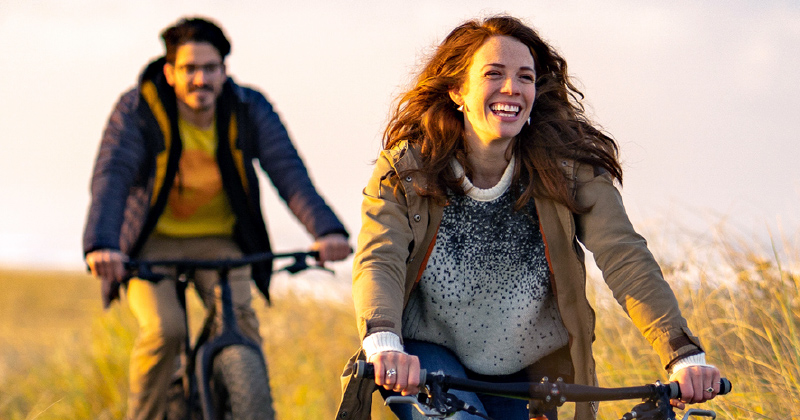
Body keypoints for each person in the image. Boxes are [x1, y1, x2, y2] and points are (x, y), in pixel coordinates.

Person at [337, 15, 722, 420]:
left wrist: (683, 353)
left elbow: (624, 256)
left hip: (527, 370)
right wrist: (382, 342)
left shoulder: (570, 169)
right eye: (493, 74)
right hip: (431, 356)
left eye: (525, 77)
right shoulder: (407, 168)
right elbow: (379, 258)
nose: (512, 88)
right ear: (457, 90)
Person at [83, 17, 351, 420]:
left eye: (211, 69)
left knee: (241, 326)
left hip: (222, 241)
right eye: (190, 69)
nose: (201, 80)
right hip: (149, 244)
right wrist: (102, 243)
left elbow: (288, 171)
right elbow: (113, 175)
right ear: (170, 72)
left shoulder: (248, 107)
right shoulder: (139, 108)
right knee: (164, 331)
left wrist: (326, 230)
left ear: (225, 71)